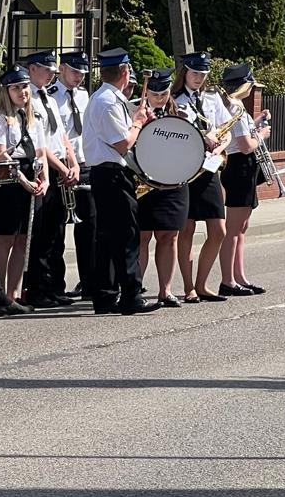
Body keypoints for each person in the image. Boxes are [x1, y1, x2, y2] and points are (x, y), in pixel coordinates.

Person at [81, 48, 160, 316]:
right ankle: (131, 295)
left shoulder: (104, 98)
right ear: (125, 72)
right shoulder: (107, 102)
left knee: (107, 236)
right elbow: (122, 143)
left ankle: (105, 295)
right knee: (126, 234)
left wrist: (137, 122)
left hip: (107, 174)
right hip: (111, 173)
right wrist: (137, 122)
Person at [0, 67, 47, 316]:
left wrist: (44, 179)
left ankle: (13, 295)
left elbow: (41, 152)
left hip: (32, 177)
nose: (22, 92)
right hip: (10, 181)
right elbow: (0, 153)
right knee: (6, 239)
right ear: (6, 91)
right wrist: (23, 180)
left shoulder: (34, 118)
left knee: (24, 240)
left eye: (25, 87)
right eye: (16, 88)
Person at [22, 50, 78, 308]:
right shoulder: (27, 97)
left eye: (53, 70)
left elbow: (62, 135)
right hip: (43, 168)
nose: (51, 73)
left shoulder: (51, 98)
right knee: (41, 234)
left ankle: (56, 286)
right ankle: (38, 288)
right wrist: (58, 167)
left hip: (60, 166)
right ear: (32, 69)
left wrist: (73, 161)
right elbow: (40, 142)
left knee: (56, 234)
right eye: (46, 69)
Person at [174, 53, 231, 303]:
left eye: (203, 74)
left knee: (218, 229)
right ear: (185, 72)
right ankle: (189, 288)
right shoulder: (174, 100)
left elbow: (227, 131)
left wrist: (219, 148)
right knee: (186, 229)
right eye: (195, 73)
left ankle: (202, 283)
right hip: (186, 169)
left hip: (209, 169)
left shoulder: (212, 98)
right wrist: (200, 138)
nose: (199, 78)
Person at [134, 69, 189, 307]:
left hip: (173, 182)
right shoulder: (133, 111)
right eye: (154, 93)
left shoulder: (182, 112)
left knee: (169, 236)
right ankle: (135, 288)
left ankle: (165, 291)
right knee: (142, 236)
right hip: (143, 182)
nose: (158, 98)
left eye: (163, 93)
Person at [217, 62, 270, 297]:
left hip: (245, 168)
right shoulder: (235, 108)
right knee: (234, 228)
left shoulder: (236, 107)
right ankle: (228, 280)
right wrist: (262, 134)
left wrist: (255, 122)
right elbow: (246, 145)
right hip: (239, 167)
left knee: (242, 227)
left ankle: (239, 277)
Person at [52, 52, 96, 299]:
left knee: (88, 226)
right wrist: (66, 163)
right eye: (75, 71)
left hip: (84, 163)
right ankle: (55, 285)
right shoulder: (50, 96)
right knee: (56, 228)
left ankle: (89, 281)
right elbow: (56, 136)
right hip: (62, 164)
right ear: (62, 69)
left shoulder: (84, 95)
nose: (79, 77)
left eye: (82, 73)